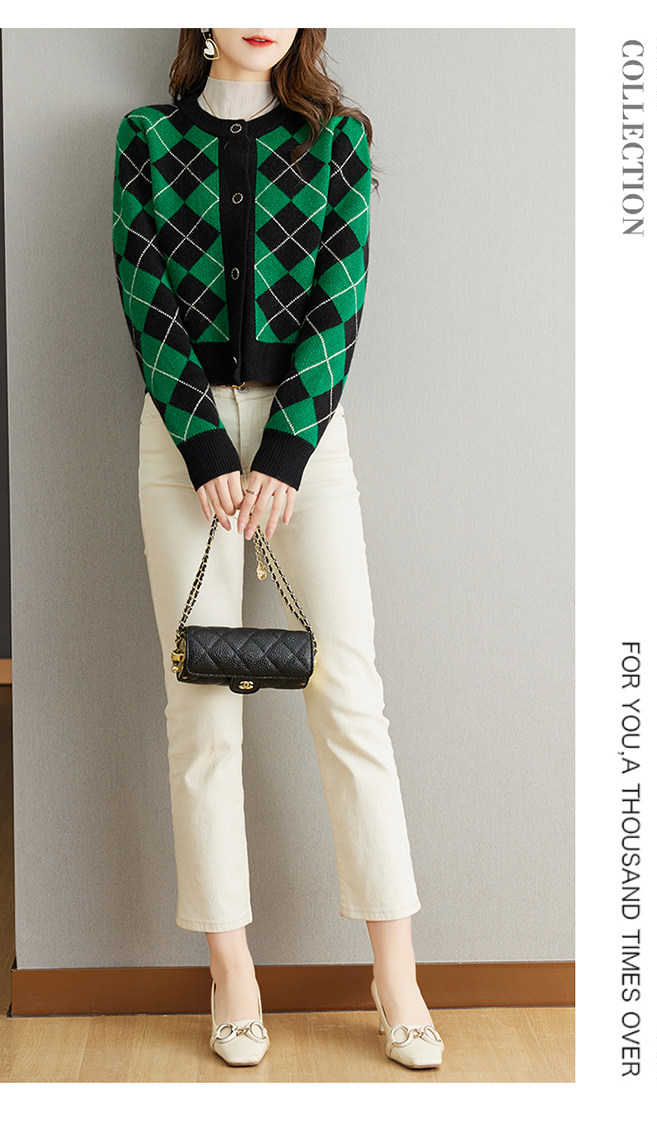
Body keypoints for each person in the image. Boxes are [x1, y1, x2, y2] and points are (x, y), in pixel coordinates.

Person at [111, 28, 444, 1069]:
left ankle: (397, 974)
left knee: (349, 695)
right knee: (201, 711)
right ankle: (232, 970)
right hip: (184, 439)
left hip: (308, 437)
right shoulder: (145, 138)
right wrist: (207, 448)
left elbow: (340, 302)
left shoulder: (337, 139)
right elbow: (145, 293)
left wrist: (285, 456)